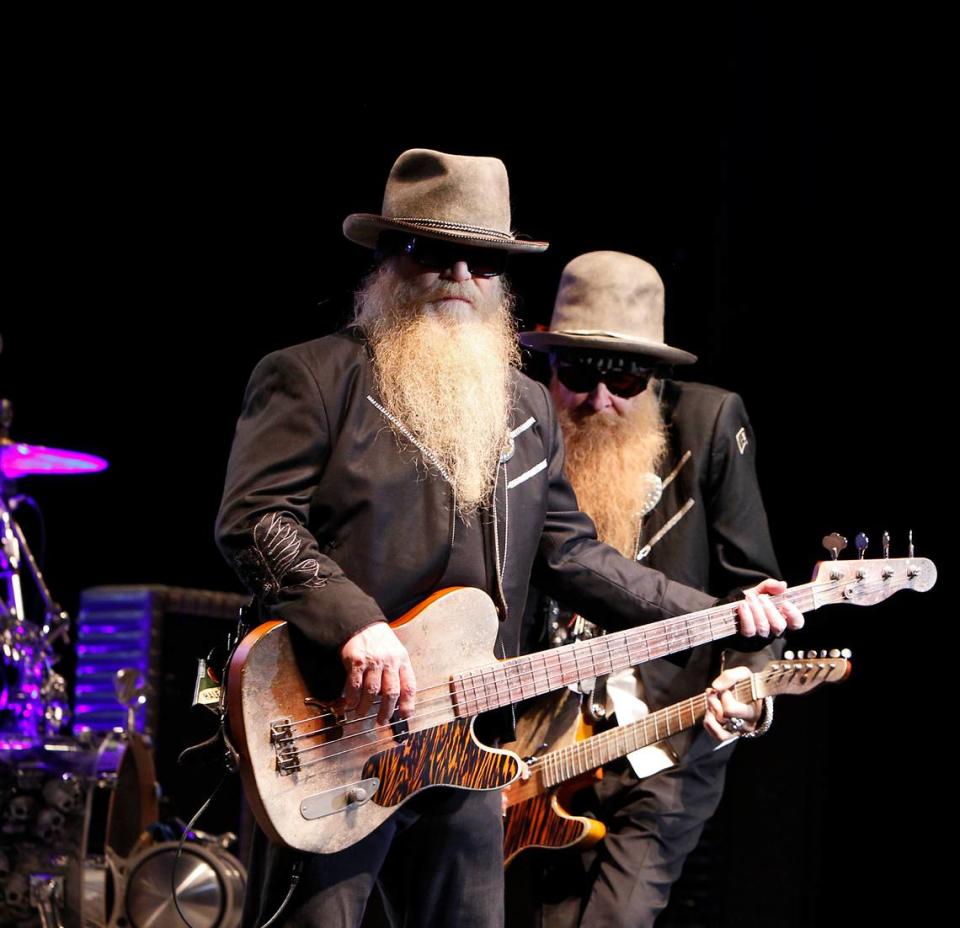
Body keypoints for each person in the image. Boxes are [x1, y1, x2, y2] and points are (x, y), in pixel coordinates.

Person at [215, 153, 801, 928]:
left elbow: (573, 555)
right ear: (390, 258)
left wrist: (722, 612)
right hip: (336, 727)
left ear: (502, 277)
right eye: (432, 250)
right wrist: (354, 622)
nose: (459, 272)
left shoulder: (525, 409)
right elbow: (256, 518)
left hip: (469, 745)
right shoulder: (313, 377)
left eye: (482, 258)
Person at [510, 251, 786, 927]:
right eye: (576, 374)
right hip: (532, 744)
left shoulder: (711, 423)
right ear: (547, 363)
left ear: (655, 374)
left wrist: (745, 687)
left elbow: (756, 591)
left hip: (663, 739)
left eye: (625, 379)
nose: (600, 402)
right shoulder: (520, 429)